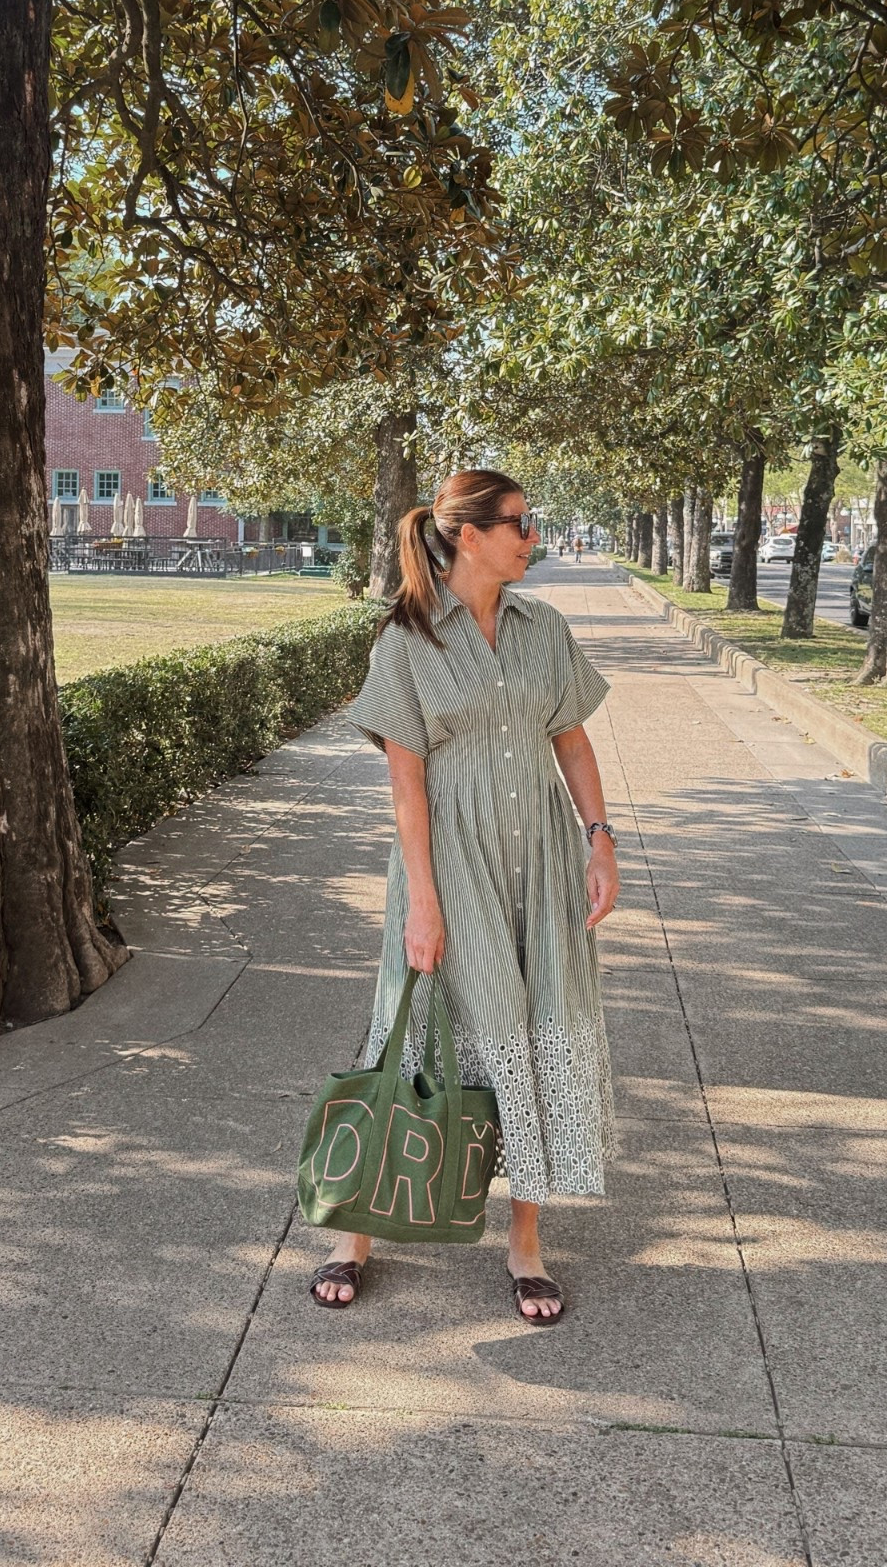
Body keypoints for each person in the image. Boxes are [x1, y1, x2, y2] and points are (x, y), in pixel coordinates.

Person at [309, 470, 620, 1325]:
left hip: (544, 866)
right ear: (470, 535)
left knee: (541, 1029)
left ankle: (525, 1242)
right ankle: (355, 1235)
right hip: (451, 869)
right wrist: (422, 901)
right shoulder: (406, 642)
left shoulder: (542, 627)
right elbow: (406, 787)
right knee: (412, 1034)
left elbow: (574, 743)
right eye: (520, 524)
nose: (533, 538)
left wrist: (601, 841)